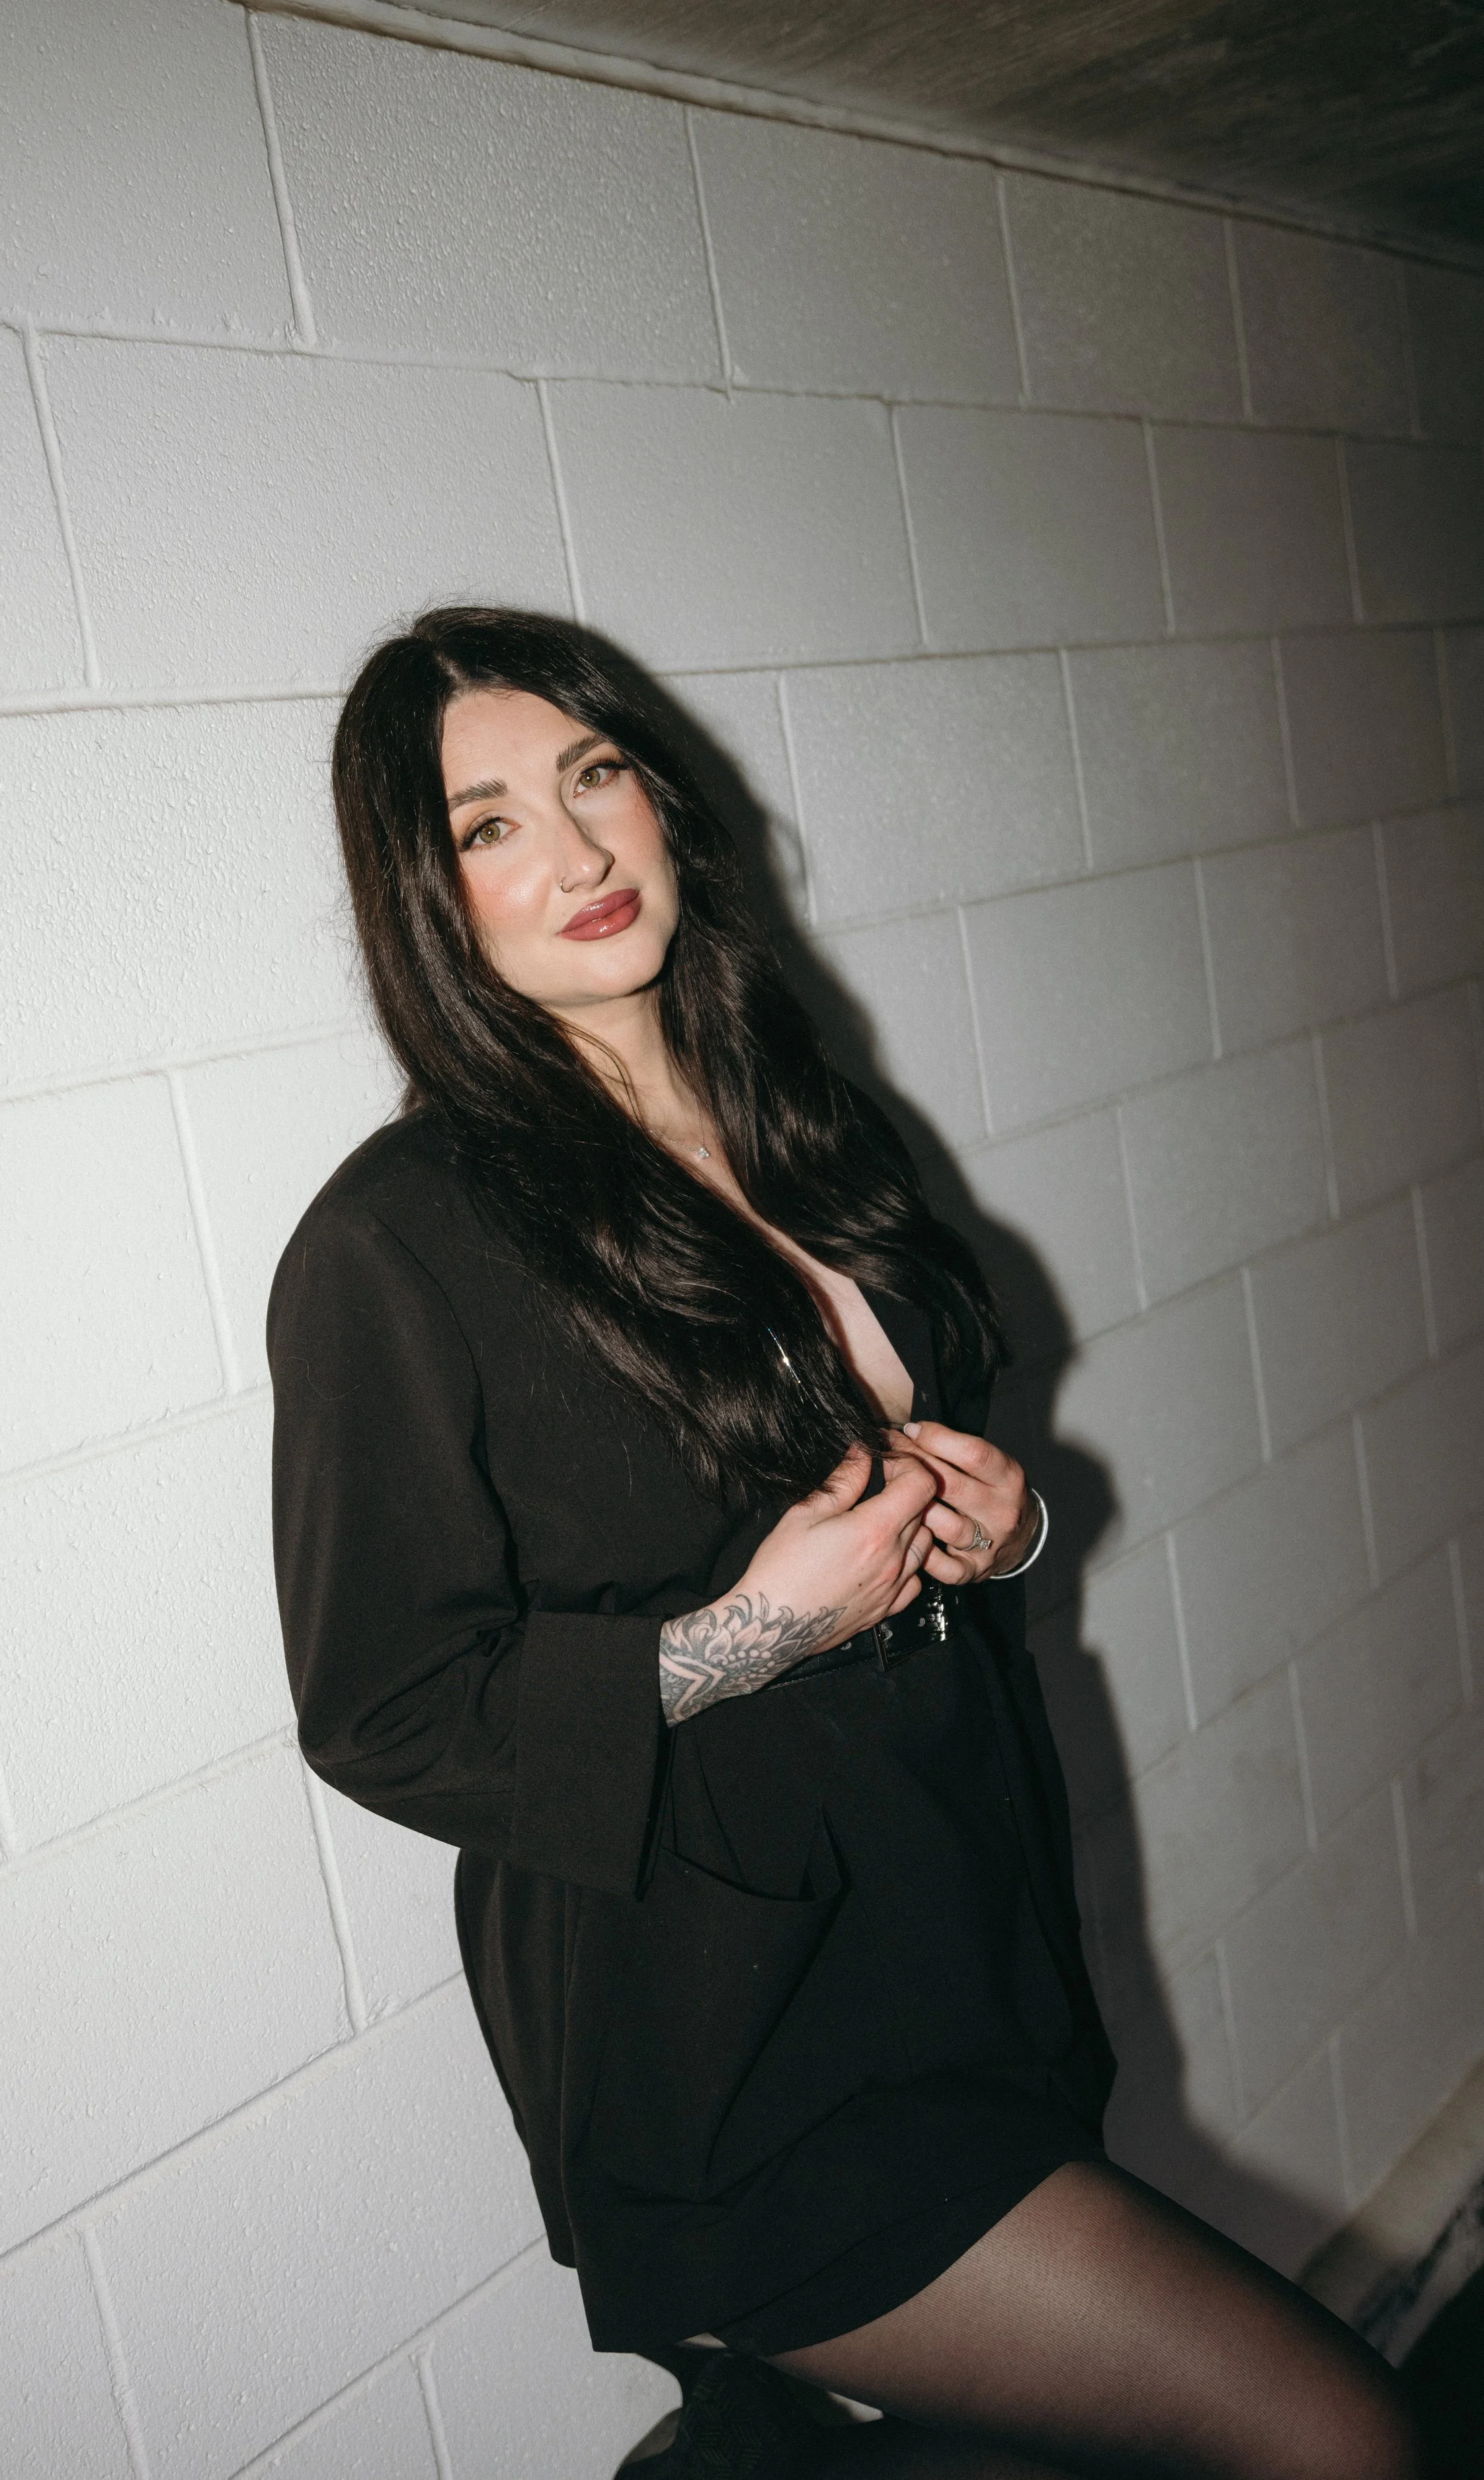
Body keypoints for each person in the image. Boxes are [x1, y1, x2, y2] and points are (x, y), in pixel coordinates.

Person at [268, 607, 1420, 2477]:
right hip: (729, 2028)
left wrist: (1007, 1524)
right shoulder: (396, 1241)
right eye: (487, 825)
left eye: (594, 775)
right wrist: (750, 1631)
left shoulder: (798, 1111)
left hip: (958, 1910)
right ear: (425, 898)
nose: (574, 849)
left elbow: (946, 1449)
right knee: (1332, 2433)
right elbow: (381, 1707)